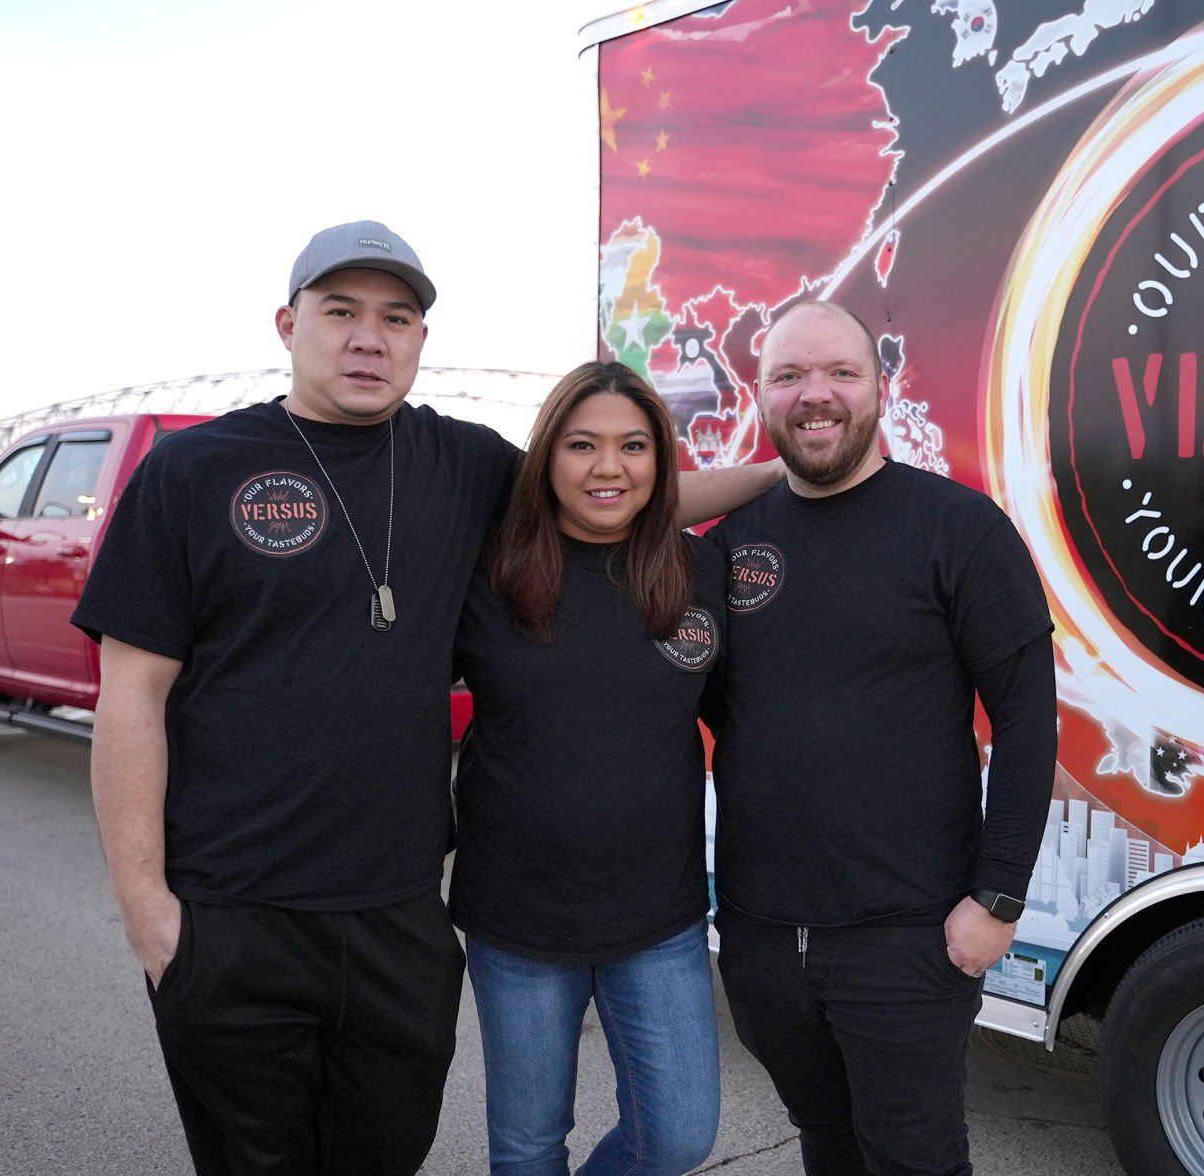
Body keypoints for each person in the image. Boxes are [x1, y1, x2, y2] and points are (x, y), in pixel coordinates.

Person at [72, 222, 776, 1175]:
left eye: (395, 317)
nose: (369, 338)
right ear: (288, 324)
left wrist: (790, 473)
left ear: (418, 341)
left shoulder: (464, 463)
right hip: (233, 911)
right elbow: (131, 697)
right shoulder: (193, 472)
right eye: (341, 312)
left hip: (402, 915)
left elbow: (611, 496)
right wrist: (149, 915)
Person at [707, 300, 1059, 1174]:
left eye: (839, 373)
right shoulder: (730, 544)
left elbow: (1025, 720)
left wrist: (998, 901)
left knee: (914, 1159)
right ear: (759, 394)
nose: (813, 395)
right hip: (758, 936)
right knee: (825, 1144)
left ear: (880, 387)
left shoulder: (958, 529)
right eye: (787, 376)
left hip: (907, 936)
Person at [451, 361, 724, 1175]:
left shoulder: (698, 570)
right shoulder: (487, 572)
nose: (609, 467)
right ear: (547, 458)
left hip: (660, 917)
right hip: (518, 921)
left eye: (633, 446)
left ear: (660, 461)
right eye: (582, 445)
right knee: (530, 1146)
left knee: (678, 1136)